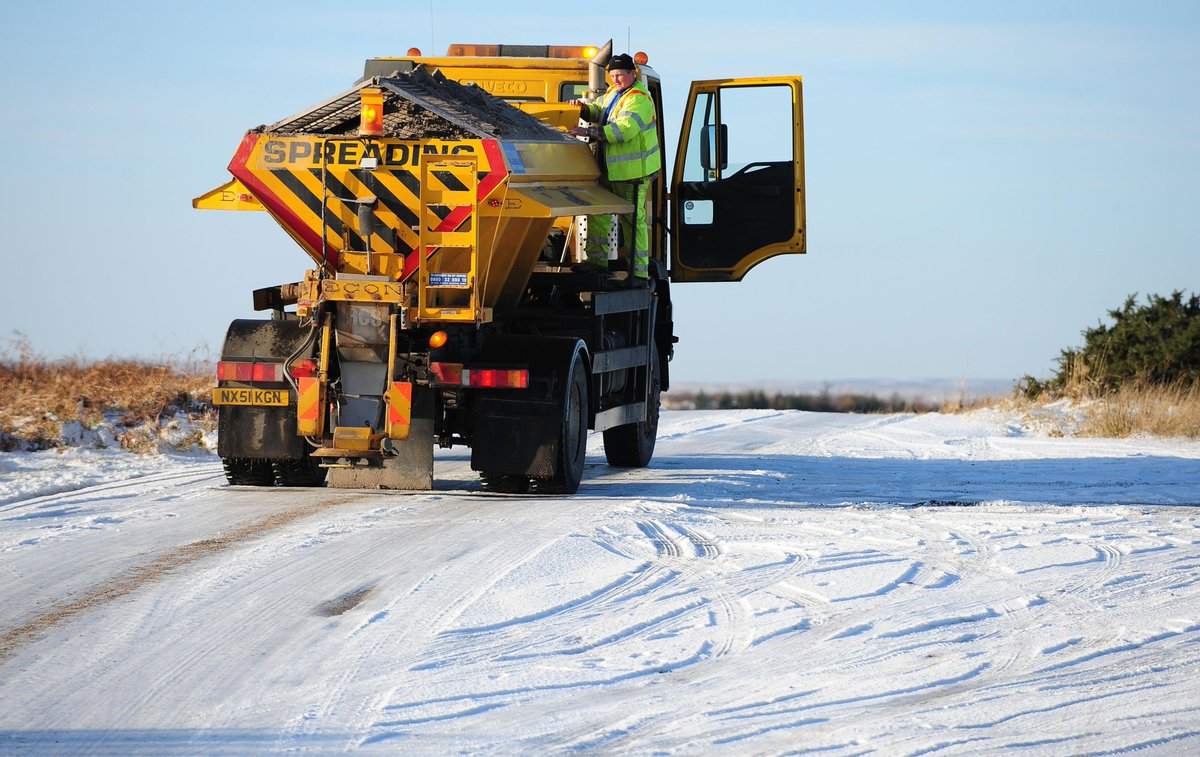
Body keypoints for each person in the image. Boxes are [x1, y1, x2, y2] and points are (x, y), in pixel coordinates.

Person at [568, 53, 661, 285]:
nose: (616, 79)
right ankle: (596, 264)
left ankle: (638, 273)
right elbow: (600, 112)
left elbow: (622, 131)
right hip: (611, 171)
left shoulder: (639, 98)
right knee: (599, 213)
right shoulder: (614, 93)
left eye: (620, 75)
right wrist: (583, 110)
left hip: (633, 175)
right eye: (612, 76)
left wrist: (588, 132)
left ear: (632, 74)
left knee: (632, 222)